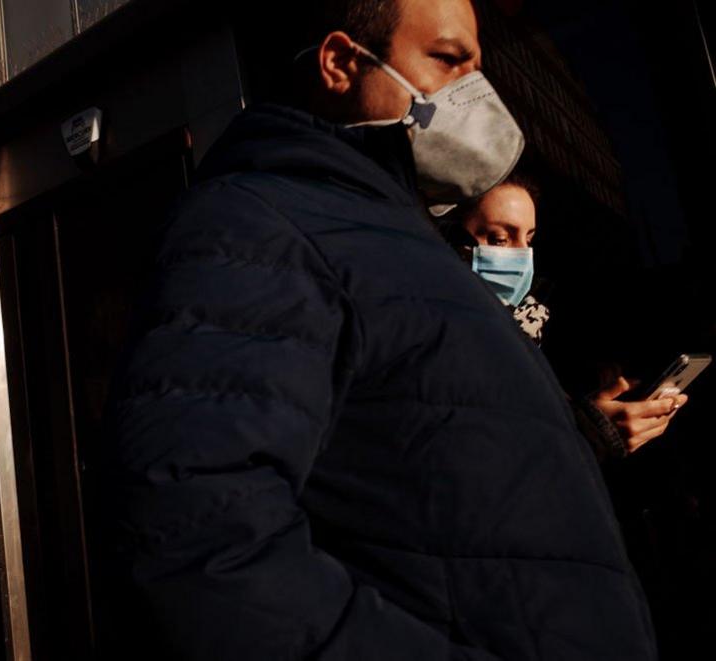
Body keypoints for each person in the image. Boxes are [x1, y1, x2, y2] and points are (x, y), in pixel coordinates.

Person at [102, 1, 658, 658]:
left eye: (479, 68)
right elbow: (198, 534)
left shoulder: (397, 240)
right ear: (340, 63)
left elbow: (442, 459)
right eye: (449, 60)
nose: (478, 96)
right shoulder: (264, 224)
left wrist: (585, 434)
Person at [438, 175, 689, 460]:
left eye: (529, 239)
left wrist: (590, 407)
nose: (523, 255)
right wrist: (586, 435)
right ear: (453, 238)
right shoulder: (436, 328)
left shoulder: (528, 327)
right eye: (500, 239)